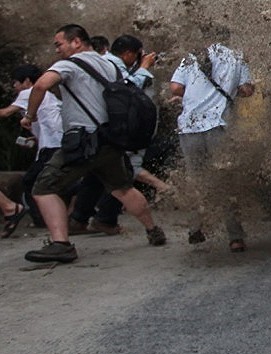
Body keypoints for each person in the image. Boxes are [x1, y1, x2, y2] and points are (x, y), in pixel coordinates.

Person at [20, 24, 166, 263]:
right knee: (122, 188)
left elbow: (41, 85)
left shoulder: (69, 64)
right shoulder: (110, 64)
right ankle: (153, 230)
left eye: (59, 44)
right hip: (109, 139)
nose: (57, 49)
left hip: (82, 141)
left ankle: (61, 244)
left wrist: (30, 115)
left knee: (43, 188)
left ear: (76, 41)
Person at [70, 34, 166, 236]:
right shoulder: (111, 66)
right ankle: (106, 219)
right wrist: (144, 69)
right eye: (138, 55)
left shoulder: (110, 64)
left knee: (97, 175)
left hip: (103, 130)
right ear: (129, 53)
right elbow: (124, 92)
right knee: (123, 175)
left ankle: (81, 218)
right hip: (111, 130)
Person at [169, 33, 254, 252]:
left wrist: (195, 94)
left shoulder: (191, 57)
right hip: (219, 127)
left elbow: (175, 88)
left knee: (196, 179)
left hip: (190, 127)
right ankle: (235, 237)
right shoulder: (238, 57)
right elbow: (247, 90)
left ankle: (195, 227)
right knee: (225, 180)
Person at [0, 64, 64, 228]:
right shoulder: (48, 96)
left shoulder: (29, 92)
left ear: (27, 81)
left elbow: (5, 113)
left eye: (15, 82)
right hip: (56, 142)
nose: (14, 87)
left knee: (31, 182)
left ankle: (41, 220)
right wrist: (34, 140)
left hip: (52, 145)